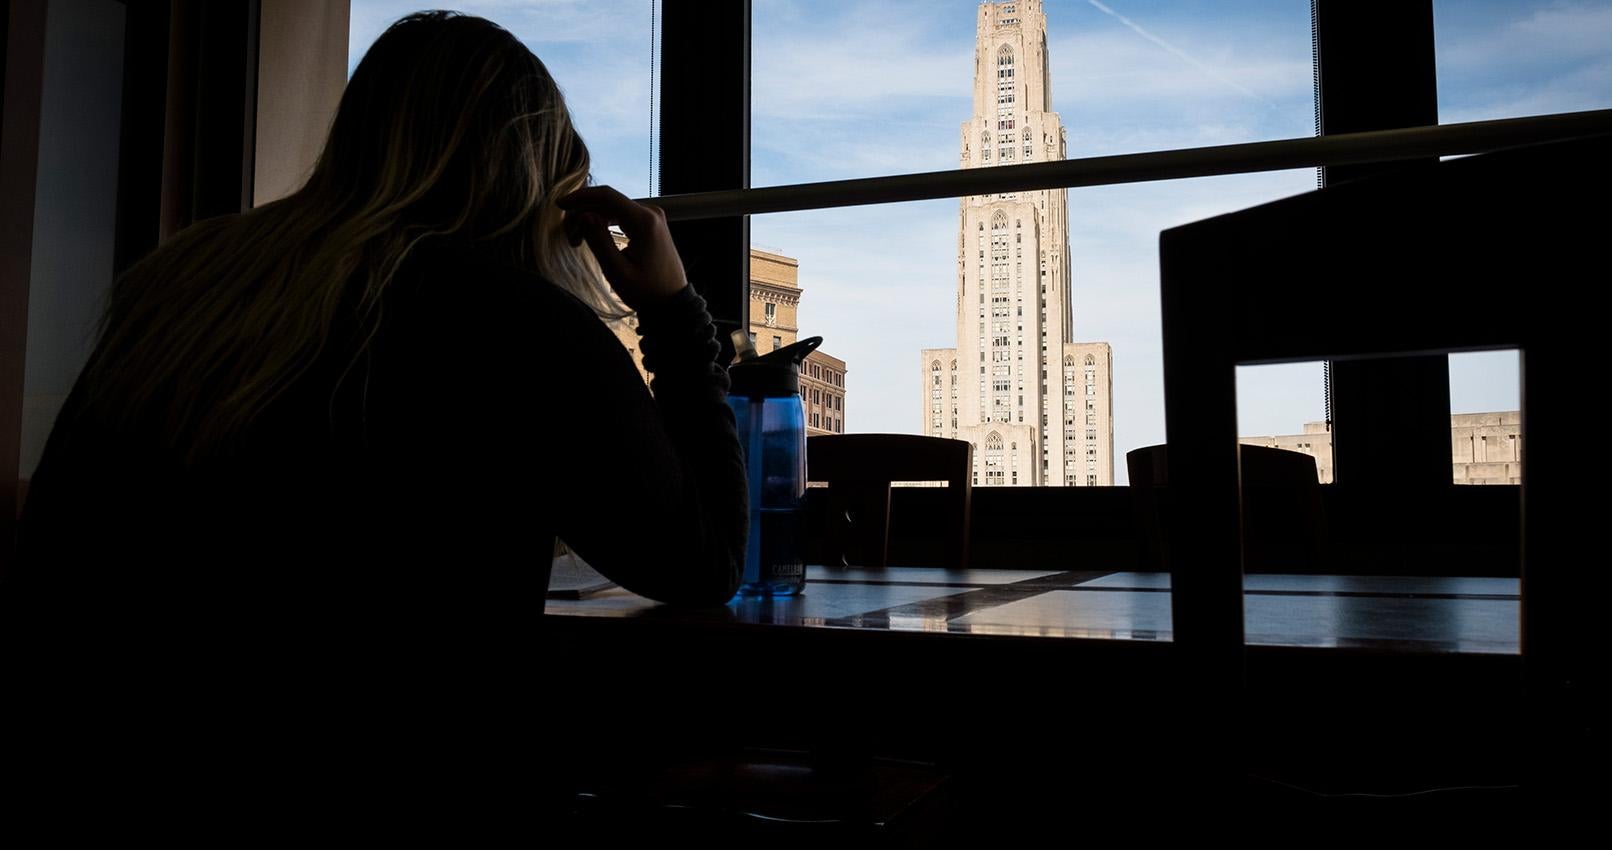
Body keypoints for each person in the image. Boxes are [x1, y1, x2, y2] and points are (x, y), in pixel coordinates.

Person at [2, 11, 745, 832]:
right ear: (535, 182)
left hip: (105, 773)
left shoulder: (187, 284)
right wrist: (675, 314)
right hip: (397, 792)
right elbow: (702, 561)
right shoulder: (519, 324)